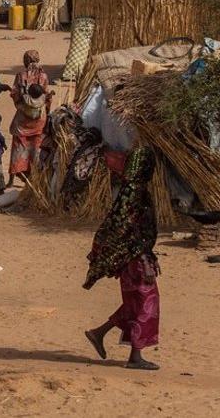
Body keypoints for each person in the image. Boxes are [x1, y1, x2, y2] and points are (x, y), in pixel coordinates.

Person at [83, 147, 160, 371]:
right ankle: (135, 356)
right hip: (135, 258)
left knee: (135, 303)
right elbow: (128, 227)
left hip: (131, 257)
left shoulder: (131, 190)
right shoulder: (135, 193)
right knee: (146, 304)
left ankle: (99, 333)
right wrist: (144, 256)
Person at [8, 50, 51, 187]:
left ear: (26, 61)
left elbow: (15, 94)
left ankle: (11, 179)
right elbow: (47, 96)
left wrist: (22, 106)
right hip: (39, 119)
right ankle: (33, 177)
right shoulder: (44, 76)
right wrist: (44, 111)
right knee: (36, 147)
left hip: (23, 120)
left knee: (18, 147)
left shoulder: (21, 75)